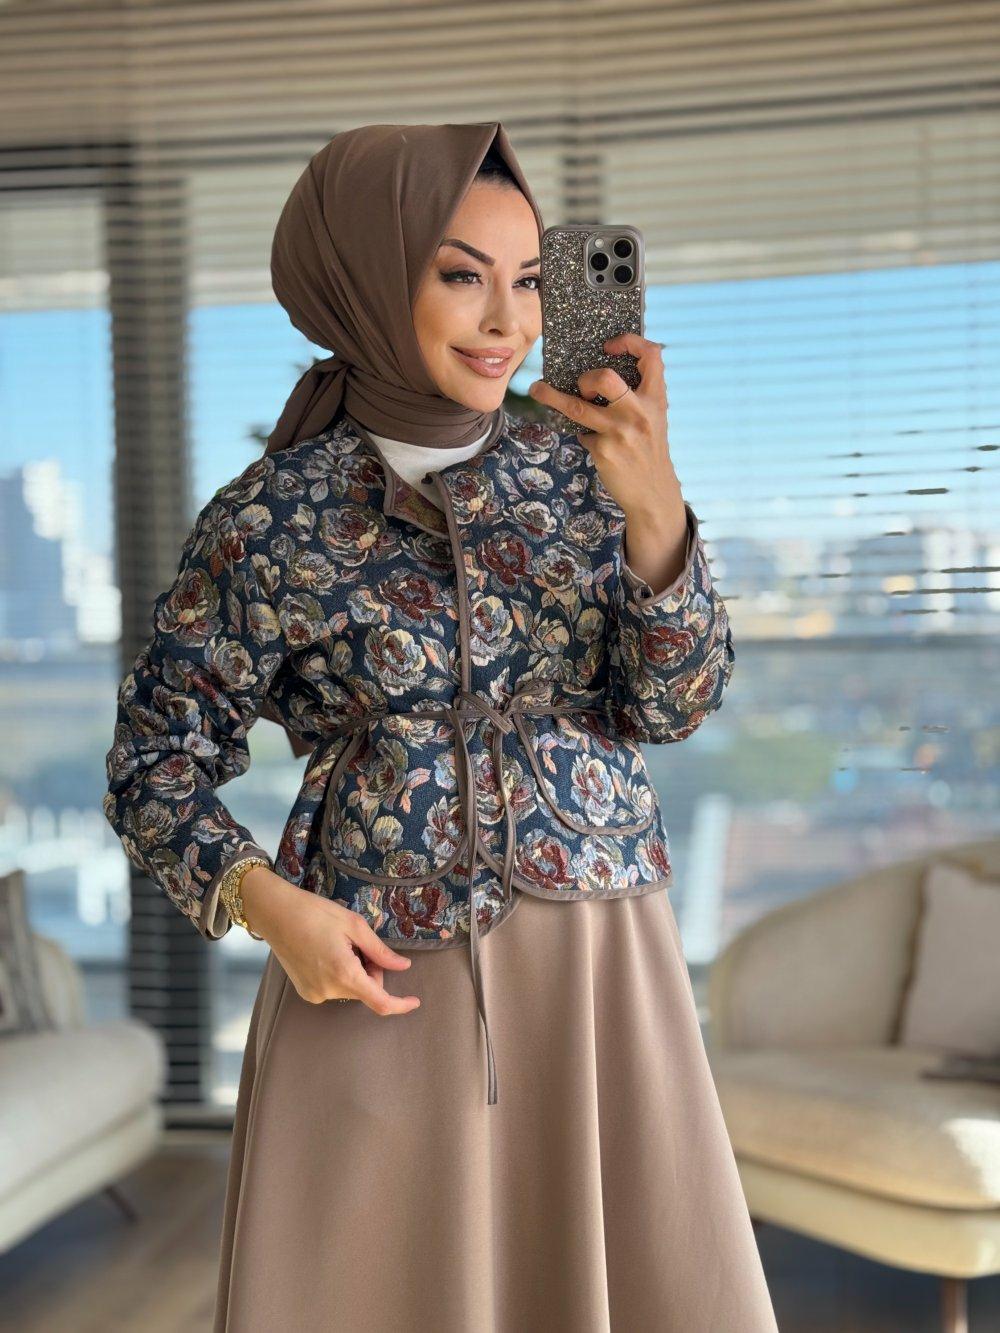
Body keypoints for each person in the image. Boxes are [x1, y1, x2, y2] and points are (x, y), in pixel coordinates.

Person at [104, 121, 779, 1332]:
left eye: (528, 281)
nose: (507, 321)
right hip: (371, 970)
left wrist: (656, 511)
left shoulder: (587, 467)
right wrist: (270, 907)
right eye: (462, 275)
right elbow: (153, 764)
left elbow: (670, 706)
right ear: (367, 273)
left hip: (597, 963)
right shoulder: (270, 516)